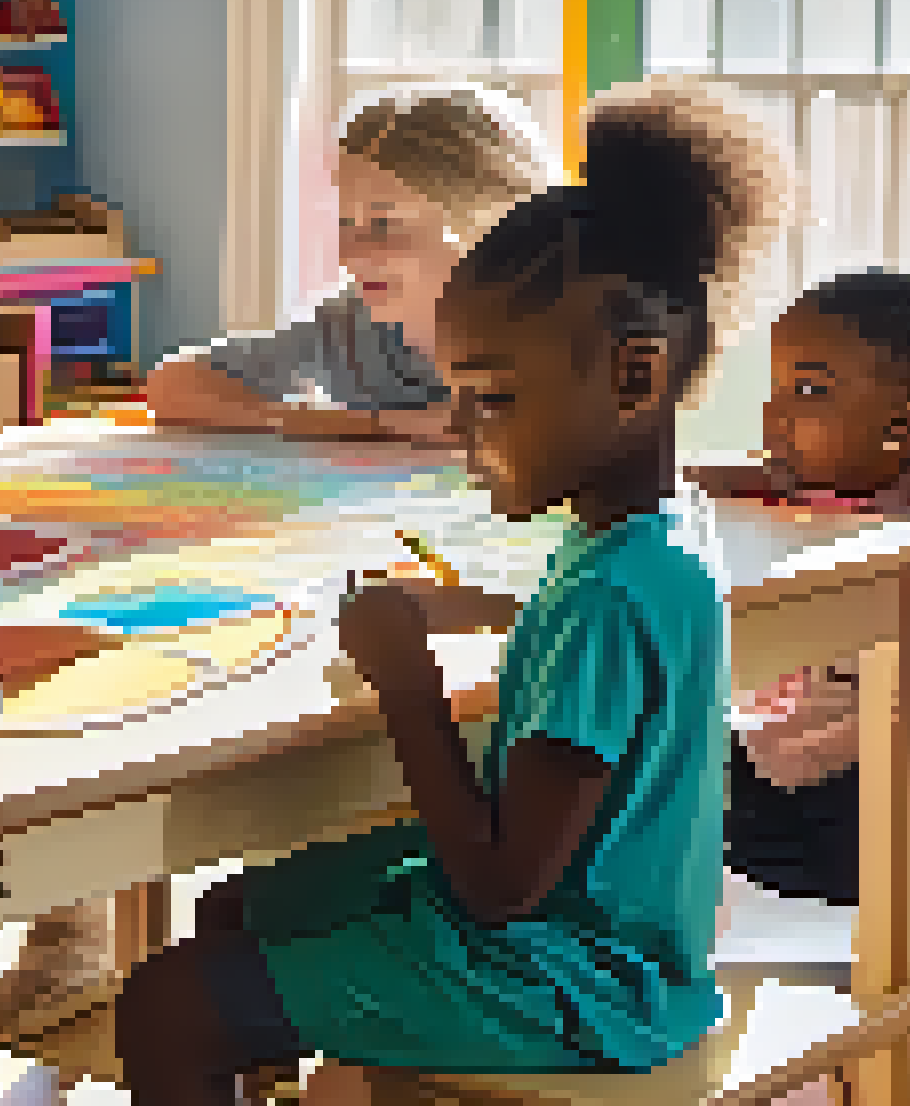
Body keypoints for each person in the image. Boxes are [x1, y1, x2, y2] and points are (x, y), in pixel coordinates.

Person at [112, 76, 781, 1103]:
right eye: (460, 398)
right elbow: (603, 661)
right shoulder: (652, 533)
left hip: (568, 980)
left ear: (634, 381)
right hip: (627, 949)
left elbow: (503, 885)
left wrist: (405, 683)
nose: (462, 438)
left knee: (167, 1003)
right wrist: (471, 610)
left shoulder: (610, 592)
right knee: (241, 912)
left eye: (494, 402)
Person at [694, 271, 910, 943]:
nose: (776, 415)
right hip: (852, 766)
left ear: (903, 424)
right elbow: (735, 476)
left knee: (689, 777)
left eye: (808, 392)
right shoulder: (843, 490)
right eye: (775, 389)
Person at [144, 86, 551, 445]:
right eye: (344, 222)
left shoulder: (554, 325)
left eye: (385, 224)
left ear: (486, 226)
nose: (351, 254)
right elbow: (173, 384)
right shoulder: (351, 330)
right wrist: (372, 424)